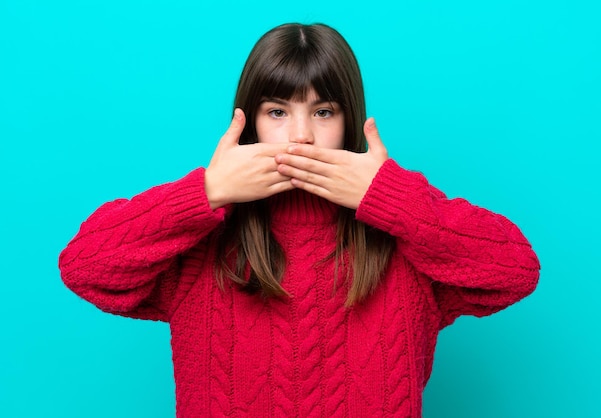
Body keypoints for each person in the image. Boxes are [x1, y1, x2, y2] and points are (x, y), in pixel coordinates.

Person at [59, 23, 540, 417]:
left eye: (324, 111)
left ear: (351, 121)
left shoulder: (403, 243)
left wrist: (392, 196)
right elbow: (85, 266)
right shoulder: (201, 244)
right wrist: (205, 191)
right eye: (278, 111)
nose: (302, 137)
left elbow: (515, 270)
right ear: (248, 121)